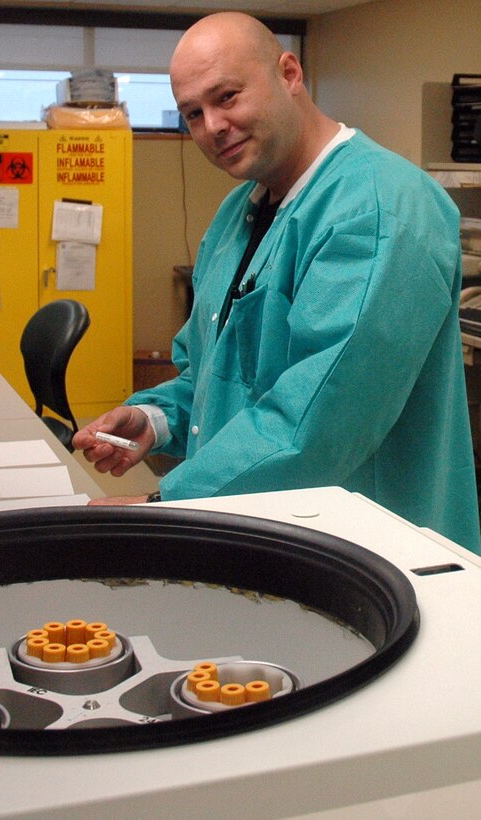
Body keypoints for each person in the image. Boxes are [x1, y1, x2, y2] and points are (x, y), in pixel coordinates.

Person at [73, 11, 481, 553]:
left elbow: (317, 422)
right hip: (262, 529)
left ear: (290, 73)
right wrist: (156, 419)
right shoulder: (238, 212)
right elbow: (214, 373)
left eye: (227, 97)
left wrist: (167, 506)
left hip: (376, 548)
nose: (212, 125)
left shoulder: (380, 211)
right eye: (193, 113)